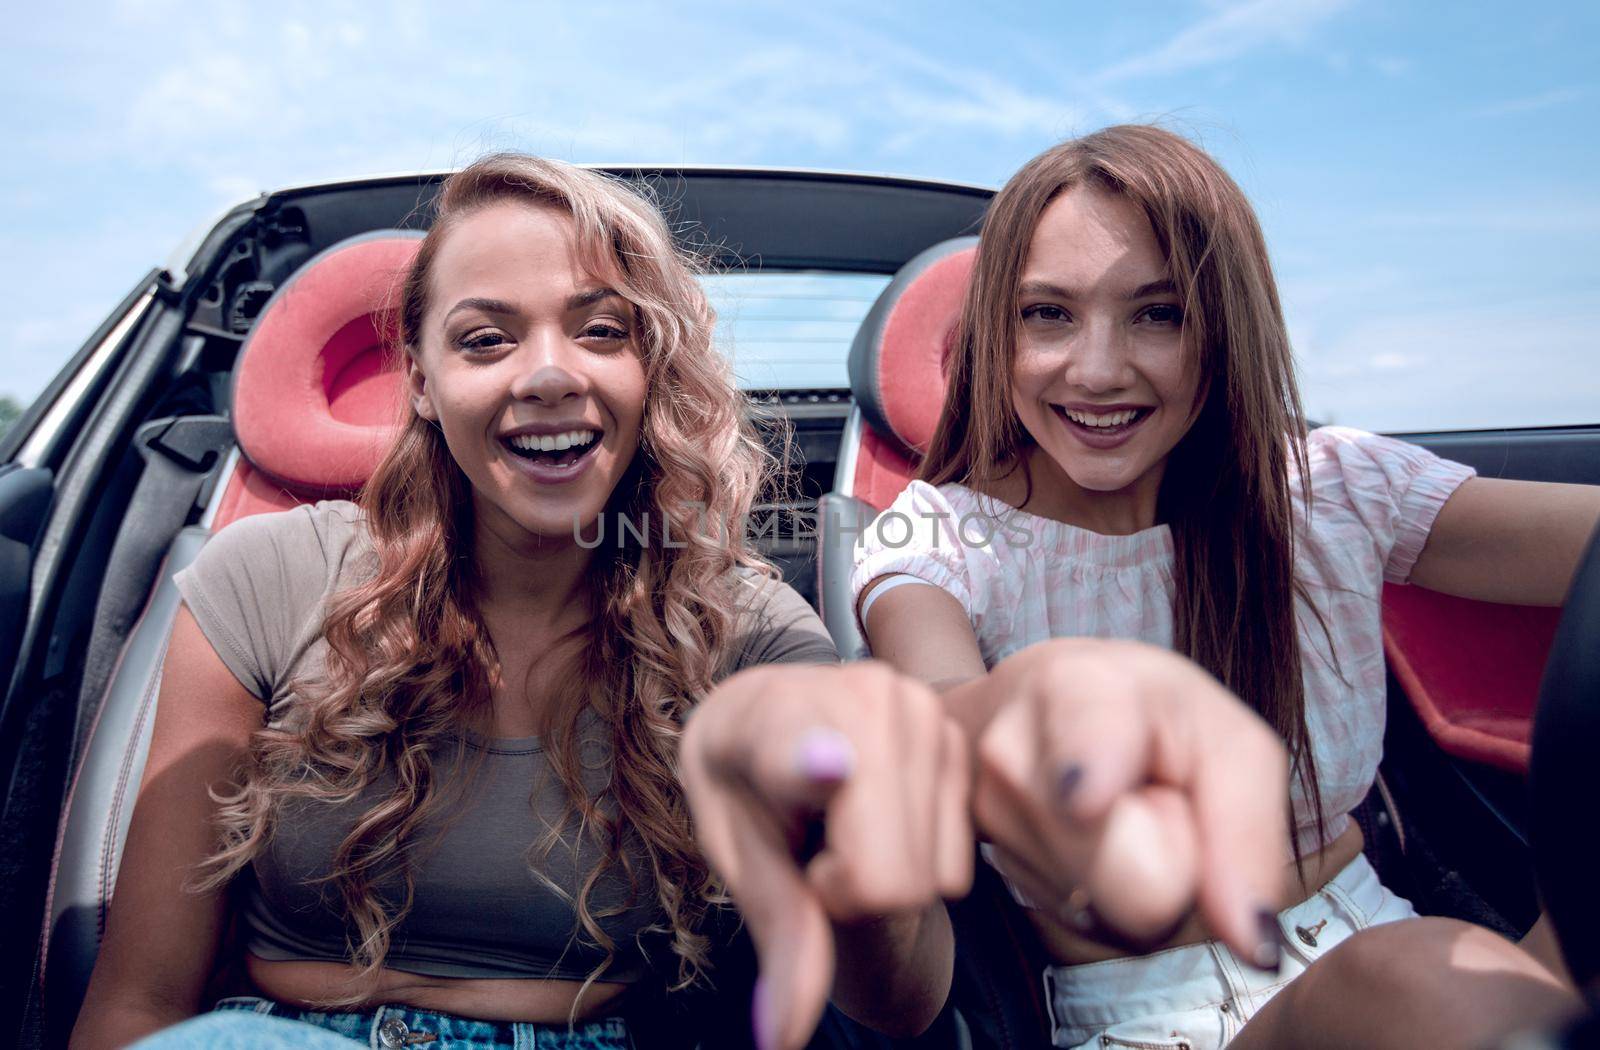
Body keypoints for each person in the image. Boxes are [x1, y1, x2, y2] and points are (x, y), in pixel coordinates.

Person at [70, 154, 974, 1050]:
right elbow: (137, 1004)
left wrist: (867, 852)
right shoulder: (265, 575)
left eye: (603, 331)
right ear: (419, 382)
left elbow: (905, 1006)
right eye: (486, 339)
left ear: (651, 370)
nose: (549, 374)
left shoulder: (749, 633)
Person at [852, 124, 1597, 1049]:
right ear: (997, 331)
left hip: (1392, 949)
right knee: (1406, 978)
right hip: (1153, 1020)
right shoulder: (938, 540)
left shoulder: (1327, 489)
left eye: (1158, 314)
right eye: (1048, 314)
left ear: (1223, 326)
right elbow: (946, 708)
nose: (1097, 367)